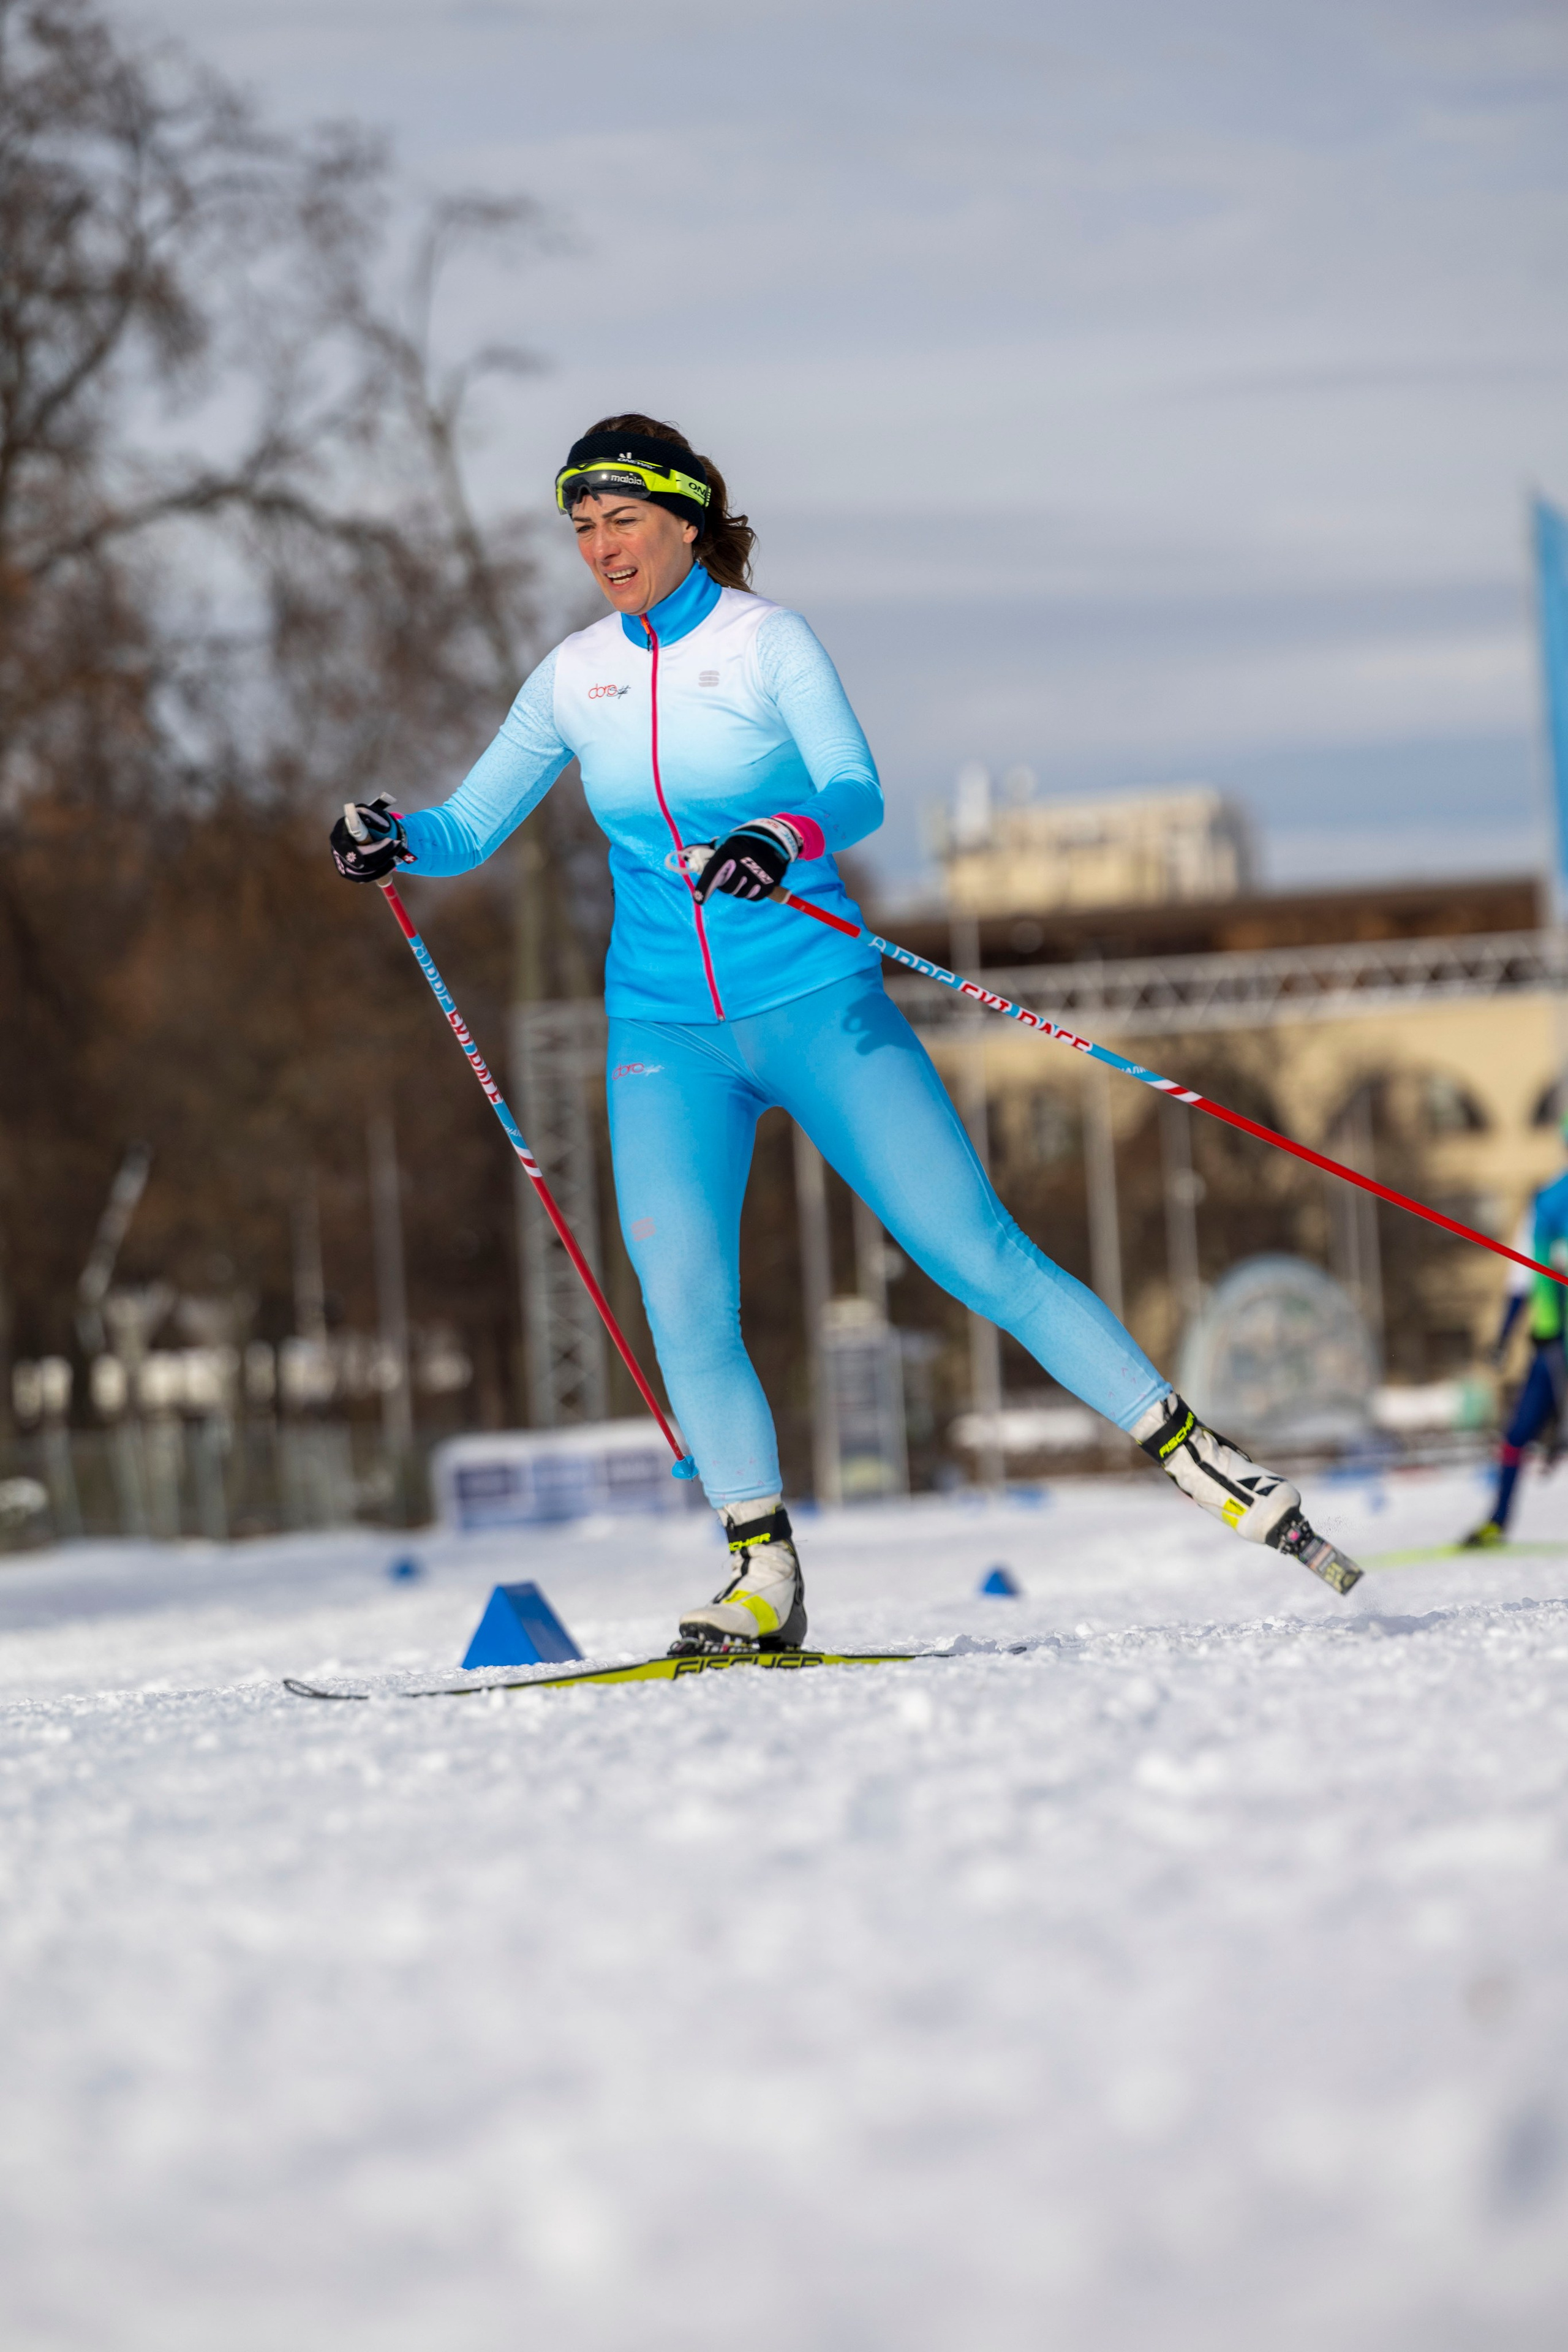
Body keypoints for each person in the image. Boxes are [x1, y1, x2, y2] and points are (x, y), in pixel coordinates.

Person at [330, 413, 1363, 1648]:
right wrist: (395, 832)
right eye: (584, 528)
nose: (603, 547)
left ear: (687, 519)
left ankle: (1196, 1454)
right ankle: (760, 1573)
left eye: (623, 521)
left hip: (817, 1007)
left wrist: (782, 838)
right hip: (665, 1032)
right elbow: (470, 825)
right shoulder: (576, 675)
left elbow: (852, 788)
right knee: (682, 1293)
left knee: (968, 1249)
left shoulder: (767, 644)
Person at [1462, 1129, 1568, 1547]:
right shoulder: (1546, 1203)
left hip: (1550, 1342)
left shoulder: (1544, 1202)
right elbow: (1524, 1276)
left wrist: (1505, 1336)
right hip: (1552, 1343)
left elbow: (1521, 1280)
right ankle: (1498, 1521)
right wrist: (1504, 1336)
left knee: (1519, 1435)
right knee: (1518, 1434)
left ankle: (1498, 1521)